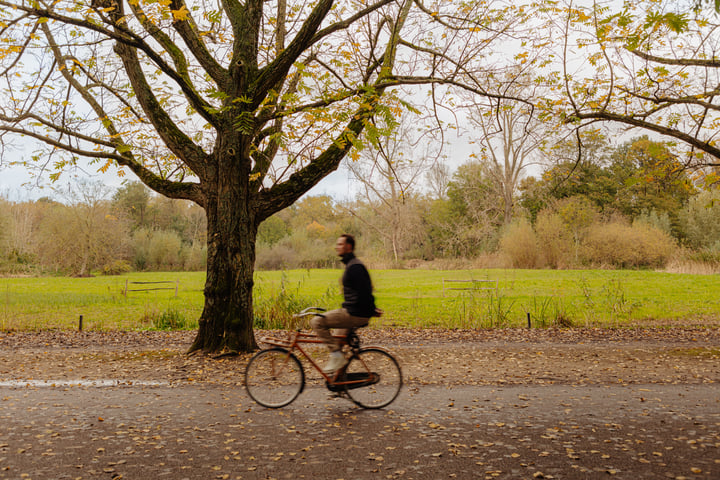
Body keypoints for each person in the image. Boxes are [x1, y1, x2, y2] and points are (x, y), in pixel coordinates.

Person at [311, 234, 379, 373]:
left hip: (353, 313)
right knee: (338, 342)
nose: (337, 247)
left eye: (340, 244)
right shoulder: (352, 264)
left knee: (317, 322)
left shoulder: (355, 266)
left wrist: (371, 310)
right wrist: (371, 309)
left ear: (348, 247)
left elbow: (366, 290)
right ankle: (340, 387)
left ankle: (336, 355)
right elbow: (364, 290)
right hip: (354, 311)